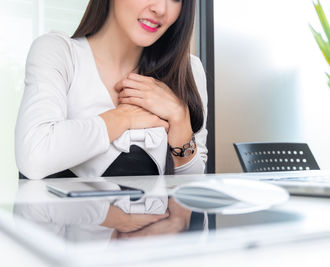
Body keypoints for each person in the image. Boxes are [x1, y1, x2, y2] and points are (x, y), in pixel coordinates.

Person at [15, 0, 208, 232]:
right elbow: (34, 157)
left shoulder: (188, 70)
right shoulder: (59, 52)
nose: (161, 9)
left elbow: (191, 191)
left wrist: (180, 119)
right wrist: (122, 118)